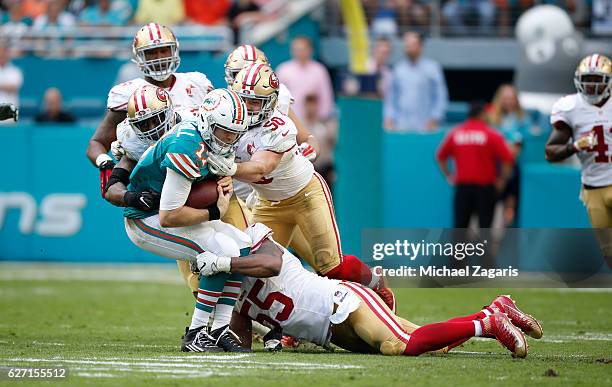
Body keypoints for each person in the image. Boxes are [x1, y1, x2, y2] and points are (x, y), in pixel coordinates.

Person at [206, 63, 397, 313]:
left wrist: (226, 168)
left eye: (257, 102)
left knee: (330, 266)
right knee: (258, 271)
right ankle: (287, 328)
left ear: (271, 102)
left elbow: (261, 168)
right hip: (268, 204)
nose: (250, 107)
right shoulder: (228, 119)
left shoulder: (279, 125)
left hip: (304, 195)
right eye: (246, 100)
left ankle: (373, 280)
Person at [196, 222, 542, 357]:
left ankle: (488, 324)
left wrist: (226, 264)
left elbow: (271, 265)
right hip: (329, 333)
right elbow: (239, 341)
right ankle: (495, 310)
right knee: (429, 345)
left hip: (340, 301)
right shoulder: (232, 292)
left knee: (399, 346)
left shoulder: (252, 238)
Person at [119, 88, 252, 353]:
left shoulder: (209, 136)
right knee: (219, 251)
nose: (230, 139)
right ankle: (196, 332)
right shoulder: (187, 146)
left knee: (242, 244)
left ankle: (219, 329)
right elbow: (169, 217)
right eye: (225, 131)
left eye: (235, 133)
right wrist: (214, 212)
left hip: (172, 211)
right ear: (208, 123)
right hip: (147, 220)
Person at [545, 54, 612, 264]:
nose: (591, 85)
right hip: (593, 187)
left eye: (596, 80)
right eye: (587, 79)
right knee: (609, 253)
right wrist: (575, 146)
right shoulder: (570, 107)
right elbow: (550, 152)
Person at [436, 101, 514, 228]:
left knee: (460, 228)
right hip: (485, 189)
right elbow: (507, 159)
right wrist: (502, 180)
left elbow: (440, 156)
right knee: (485, 228)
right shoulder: (492, 134)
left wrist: (449, 175)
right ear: (482, 114)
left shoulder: (456, 133)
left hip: (462, 188)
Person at [383, 32, 448, 133]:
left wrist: (435, 118)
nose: (408, 48)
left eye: (412, 44)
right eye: (406, 45)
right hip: (401, 127)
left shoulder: (432, 68)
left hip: (426, 127)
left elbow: (440, 96)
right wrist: (389, 118)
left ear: (420, 46)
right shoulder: (398, 69)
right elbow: (391, 97)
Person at [488, 84, 531, 226]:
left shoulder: (523, 119)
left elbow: (518, 144)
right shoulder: (491, 118)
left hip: (514, 167)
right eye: (505, 98)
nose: (508, 101)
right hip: (494, 167)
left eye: (511, 98)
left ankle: (509, 211)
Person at [276, 36, 335, 122]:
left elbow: (326, 95)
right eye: (296, 49)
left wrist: (322, 117)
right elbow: (276, 95)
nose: (300, 53)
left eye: (303, 49)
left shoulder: (319, 70)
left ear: (310, 50)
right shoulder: (283, 69)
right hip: (289, 120)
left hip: (314, 121)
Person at [303, 94, 337, 190]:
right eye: (308, 105)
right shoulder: (301, 126)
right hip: (308, 170)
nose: (311, 108)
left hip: (324, 169)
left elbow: (333, 142)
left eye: (313, 105)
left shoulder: (324, 125)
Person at [0, 44, 23, 111]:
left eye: (3, 53)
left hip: (9, 111)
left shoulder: (15, 71)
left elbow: (13, 88)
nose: (2, 56)